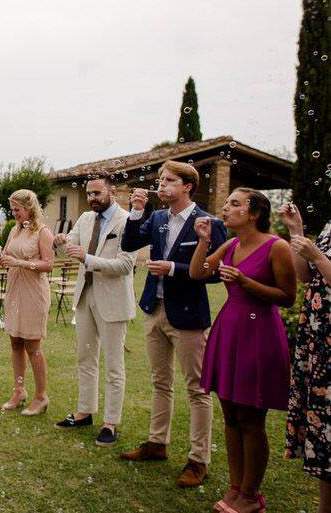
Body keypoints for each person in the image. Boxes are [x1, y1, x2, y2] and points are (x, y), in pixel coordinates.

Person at [119, 161, 226, 488]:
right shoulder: (158, 217)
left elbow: (216, 273)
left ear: (187, 186)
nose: (161, 185)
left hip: (188, 315)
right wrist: (137, 210)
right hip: (156, 308)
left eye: (169, 181)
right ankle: (157, 443)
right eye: (160, 180)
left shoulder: (208, 223)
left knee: (197, 388)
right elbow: (129, 243)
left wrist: (175, 268)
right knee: (159, 381)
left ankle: (198, 460)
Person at [189, 188, 296, 512]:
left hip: (259, 333)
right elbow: (197, 272)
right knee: (231, 415)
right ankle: (236, 489)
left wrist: (246, 283)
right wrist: (204, 241)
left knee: (251, 417)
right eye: (228, 202)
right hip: (230, 330)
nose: (226, 207)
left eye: (235, 203)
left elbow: (288, 296)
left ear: (254, 213)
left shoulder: (277, 247)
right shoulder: (231, 244)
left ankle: (251, 495)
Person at [52, 177, 136, 447]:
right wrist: (60, 240)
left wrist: (86, 259)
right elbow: (69, 248)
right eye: (89, 194)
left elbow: (124, 265)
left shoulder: (126, 221)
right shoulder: (86, 218)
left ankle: (110, 423)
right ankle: (85, 411)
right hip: (85, 296)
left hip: (113, 301)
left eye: (97, 193)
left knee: (113, 364)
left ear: (112, 191)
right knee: (85, 358)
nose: (92, 198)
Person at [280, 201, 331, 513]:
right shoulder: (329, 225)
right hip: (319, 338)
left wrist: (317, 256)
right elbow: (306, 277)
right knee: (326, 430)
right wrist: (296, 232)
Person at [0, 189, 54, 417]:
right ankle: (19, 391)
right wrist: (0, 255)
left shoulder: (42, 232)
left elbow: (48, 264)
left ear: (29, 207)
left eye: (16, 209)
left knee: (33, 347)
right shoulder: (16, 230)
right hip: (15, 290)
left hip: (34, 293)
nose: (13, 213)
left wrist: (19, 262)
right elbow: (6, 263)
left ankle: (41, 396)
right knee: (15, 343)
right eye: (12, 209)